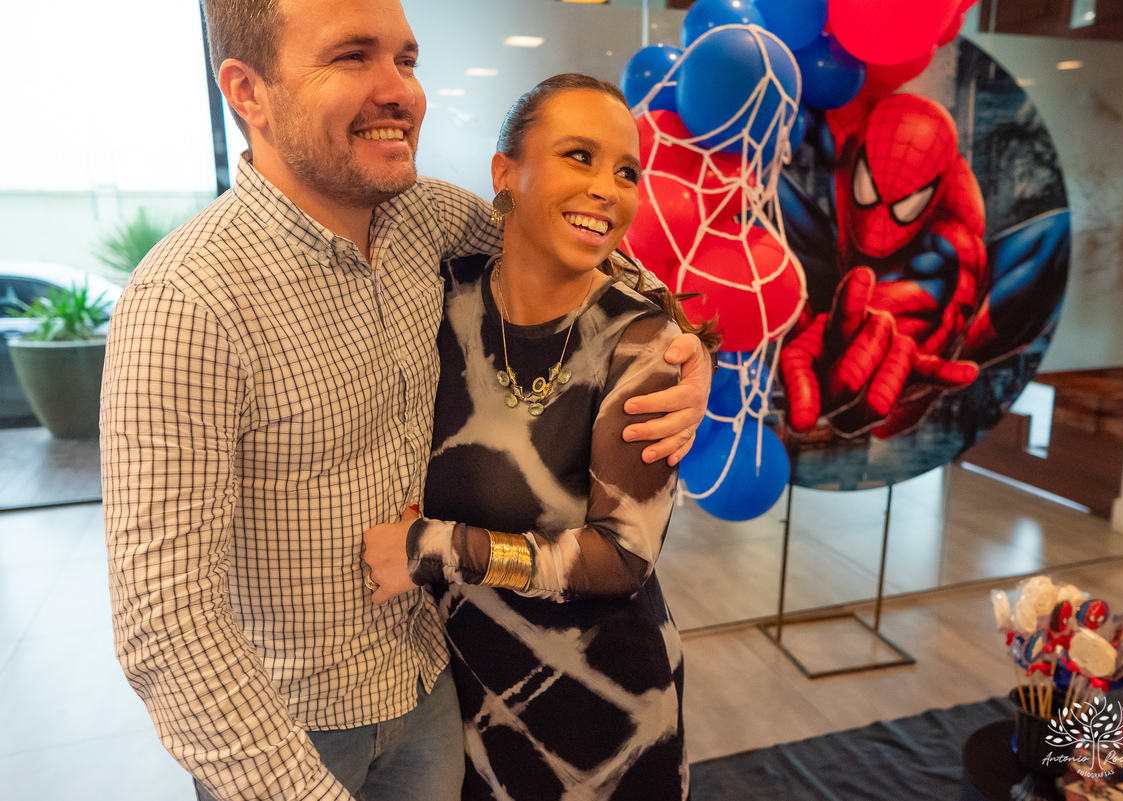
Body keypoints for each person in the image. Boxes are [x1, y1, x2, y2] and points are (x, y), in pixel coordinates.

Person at [99, 1, 712, 800]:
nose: (401, 92)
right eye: (353, 56)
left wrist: (677, 339)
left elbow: (573, 239)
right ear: (248, 92)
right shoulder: (188, 300)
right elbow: (164, 621)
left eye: (408, 60)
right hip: (296, 730)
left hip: (435, 688)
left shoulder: (429, 221)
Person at [362, 74, 719, 801]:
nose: (607, 189)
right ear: (505, 173)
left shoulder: (645, 346)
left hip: (605, 711)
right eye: (578, 156)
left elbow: (622, 558)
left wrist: (431, 547)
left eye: (626, 172)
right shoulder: (442, 293)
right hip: (463, 695)